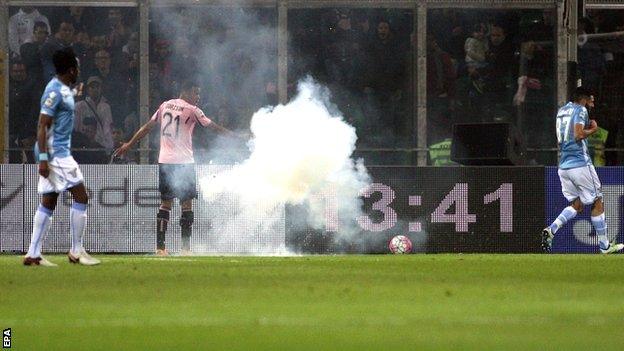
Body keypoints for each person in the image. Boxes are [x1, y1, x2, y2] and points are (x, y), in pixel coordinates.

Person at [114, 80, 239, 255]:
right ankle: (186, 249)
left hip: (164, 161)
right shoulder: (192, 110)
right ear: (186, 92)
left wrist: (129, 143)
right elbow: (213, 127)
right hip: (184, 163)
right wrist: (234, 136)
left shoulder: (165, 105)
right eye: (196, 93)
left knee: (165, 204)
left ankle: (160, 248)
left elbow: (147, 127)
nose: (198, 97)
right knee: (186, 204)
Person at [23, 48, 100, 266]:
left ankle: (33, 253)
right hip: (57, 153)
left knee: (49, 200)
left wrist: (75, 92)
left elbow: (62, 104)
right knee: (82, 196)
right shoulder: (55, 91)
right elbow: (42, 124)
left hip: (55, 152)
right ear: (71, 70)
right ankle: (76, 251)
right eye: (77, 67)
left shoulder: (63, 89)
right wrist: (45, 159)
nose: (79, 71)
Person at [542, 87, 623, 254]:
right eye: (591, 100)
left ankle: (551, 229)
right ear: (584, 99)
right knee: (597, 201)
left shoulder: (562, 110)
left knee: (577, 205)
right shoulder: (581, 110)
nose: (592, 104)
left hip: (563, 165)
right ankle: (604, 246)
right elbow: (578, 134)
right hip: (580, 163)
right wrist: (593, 130)